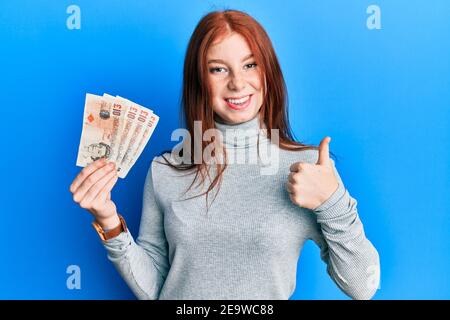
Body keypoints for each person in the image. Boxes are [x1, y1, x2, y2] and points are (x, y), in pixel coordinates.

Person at [69, 9, 380, 300]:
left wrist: (333, 201)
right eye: (218, 69)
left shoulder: (310, 170)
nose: (237, 83)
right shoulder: (165, 169)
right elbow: (156, 288)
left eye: (250, 65)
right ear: (199, 81)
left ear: (268, 73)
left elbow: (363, 285)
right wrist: (108, 221)